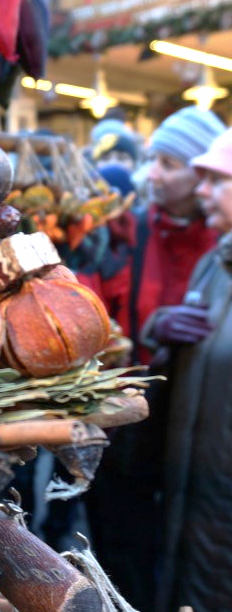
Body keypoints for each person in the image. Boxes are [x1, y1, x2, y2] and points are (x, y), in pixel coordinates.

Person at [79, 106, 225, 610]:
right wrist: (150, 329)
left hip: (199, 436)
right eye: (154, 161)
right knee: (125, 558)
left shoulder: (220, 245)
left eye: (170, 164)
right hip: (128, 434)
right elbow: (91, 321)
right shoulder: (124, 234)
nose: (154, 175)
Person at [146, 127, 232, 612]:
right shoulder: (214, 266)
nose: (201, 191)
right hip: (192, 501)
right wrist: (161, 329)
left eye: (216, 180)